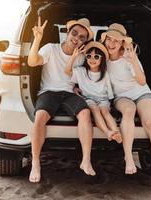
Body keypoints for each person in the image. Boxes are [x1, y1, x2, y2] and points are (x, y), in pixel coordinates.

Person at [100, 23, 151, 187]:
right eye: (109, 39)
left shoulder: (129, 56)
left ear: (122, 43)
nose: (111, 44)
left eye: (116, 41)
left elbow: (142, 81)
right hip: (122, 97)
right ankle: (128, 158)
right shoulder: (102, 56)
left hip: (141, 92)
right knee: (129, 110)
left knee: (150, 123)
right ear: (104, 40)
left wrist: (133, 61)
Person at [27, 17, 95, 183]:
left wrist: (79, 88)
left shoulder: (80, 57)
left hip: (69, 93)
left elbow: (80, 77)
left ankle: (86, 160)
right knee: (40, 117)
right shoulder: (51, 48)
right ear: (67, 32)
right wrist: (37, 39)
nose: (77, 38)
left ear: (84, 41)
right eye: (75, 33)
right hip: (49, 92)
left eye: (82, 37)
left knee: (85, 113)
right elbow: (32, 61)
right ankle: (35, 163)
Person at [65, 41, 122, 143]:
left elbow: (109, 91)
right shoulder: (81, 71)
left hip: (103, 99)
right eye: (89, 56)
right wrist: (73, 57)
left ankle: (116, 132)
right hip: (88, 98)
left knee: (105, 111)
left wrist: (111, 102)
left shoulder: (104, 73)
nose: (92, 59)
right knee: (95, 109)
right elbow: (67, 71)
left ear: (102, 59)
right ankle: (108, 132)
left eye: (96, 57)